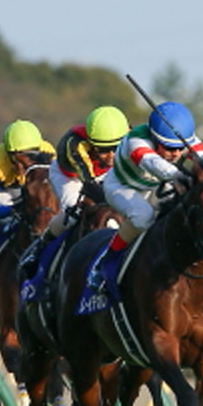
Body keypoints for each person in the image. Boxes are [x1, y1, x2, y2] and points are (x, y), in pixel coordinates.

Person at [89, 101, 203, 297]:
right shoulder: (136, 141)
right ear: (154, 138)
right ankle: (105, 261)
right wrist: (179, 176)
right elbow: (153, 163)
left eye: (180, 148)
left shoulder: (182, 136)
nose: (177, 153)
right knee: (143, 217)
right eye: (169, 148)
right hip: (122, 186)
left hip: (155, 187)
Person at [18, 105, 129, 282]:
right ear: (91, 143)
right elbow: (90, 187)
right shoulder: (73, 147)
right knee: (73, 214)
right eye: (103, 150)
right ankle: (40, 248)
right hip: (70, 176)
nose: (110, 156)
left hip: (103, 174)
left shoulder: (131, 138)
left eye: (116, 148)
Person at [0, 119, 56, 266]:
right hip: (8, 193)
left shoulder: (48, 153)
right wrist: (15, 209)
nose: (26, 162)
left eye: (33, 155)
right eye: (21, 156)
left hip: (35, 190)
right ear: (9, 154)